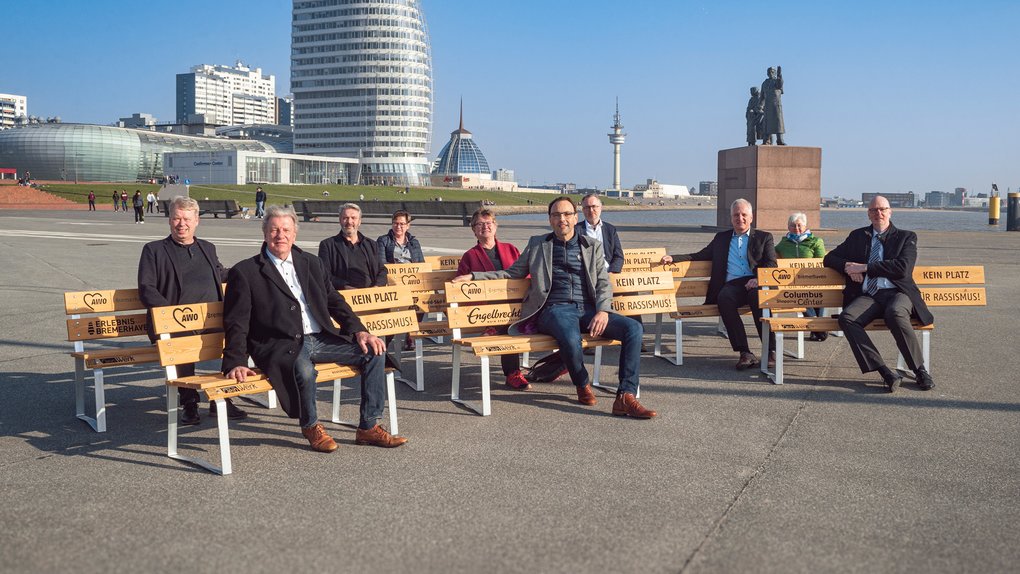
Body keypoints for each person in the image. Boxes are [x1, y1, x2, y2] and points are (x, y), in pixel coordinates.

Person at [222, 205, 406, 452]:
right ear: (265, 233)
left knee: (374, 352)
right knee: (305, 372)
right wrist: (236, 360)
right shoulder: (247, 272)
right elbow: (237, 321)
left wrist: (359, 330)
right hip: (281, 343)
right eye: (274, 230)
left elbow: (334, 301)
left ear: (294, 234)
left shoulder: (311, 263)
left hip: (320, 337)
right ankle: (310, 425)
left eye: (286, 230)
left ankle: (368, 427)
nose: (280, 235)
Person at [454, 197, 656, 418]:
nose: (562, 219)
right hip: (553, 310)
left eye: (567, 214)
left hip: (587, 309)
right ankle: (582, 383)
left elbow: (602, 283)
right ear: (550, 219)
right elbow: (512, 273)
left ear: (575, 217)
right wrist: (474, 276)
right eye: (556, 215)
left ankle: (625, 397)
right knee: (570, 338)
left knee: (633, 329)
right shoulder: (538, 244)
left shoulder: (592, 246)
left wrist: (603, 310)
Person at [137, 196, 247, 425]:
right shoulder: (154, 250)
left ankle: (222, 398)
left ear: (196, 220)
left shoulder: (207, 247)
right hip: (175, 323)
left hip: (212, 320)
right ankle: (189, 402)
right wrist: (172, 317)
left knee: (239, 335)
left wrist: (249, 272)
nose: (181, 224)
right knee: (181, 342)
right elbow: (147, 288)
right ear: (169, 220)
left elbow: (220, 273)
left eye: (186, 218)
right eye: (176, 218)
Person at [823, 196, 934, 392]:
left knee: (896, 313)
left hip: (898, 293)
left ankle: (920, 371)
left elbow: (902, 268)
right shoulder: (858, 236)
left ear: (890, 212)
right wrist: (849, 267)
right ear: (868, 213)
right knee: (847, 318)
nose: (878, 213)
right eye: (874, 210)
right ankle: (884, 372)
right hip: (869, 296)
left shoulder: (906, 237)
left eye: (882, 209)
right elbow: (829, 258)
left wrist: (864, 268)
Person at [661, 198, 777, 370]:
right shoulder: (721, 238)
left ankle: (770, 351)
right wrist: (674, 258)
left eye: (744, 215)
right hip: (733, 286)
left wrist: (759, 279)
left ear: (751, 217)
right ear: (731, 218)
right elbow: (700, 255)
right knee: (724, 298)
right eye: (736, 215)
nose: (740, 218)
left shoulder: (764, 237)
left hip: (755, 282)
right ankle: (745, 353)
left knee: (758, 298)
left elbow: (771, 264)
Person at [455, 208, 529, 390]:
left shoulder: (511, 249)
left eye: (489, 223)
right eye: (479, 224)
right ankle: (512, 373)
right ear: (473, 230)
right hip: (485, 310)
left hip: (515, 306)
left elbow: (525, 277)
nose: (485, 227)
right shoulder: (469, 256)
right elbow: (461, 289)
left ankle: (546, 369)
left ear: (495, 226)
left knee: (513, 322)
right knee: (510, 326)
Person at [376, 210, 424, 353]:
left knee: (422, 300)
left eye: (402, 224)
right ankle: (387, 337)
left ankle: (410, 334)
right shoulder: (383, 240)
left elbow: (421, 263)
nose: (398, 227)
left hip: (411, 283)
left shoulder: (414, 242)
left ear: (408, 226)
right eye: (396, 223)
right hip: (392, 283)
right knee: (392, 310)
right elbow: (381, 264)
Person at [775, 212, 828, 341]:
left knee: (818, 292)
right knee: (800, 294)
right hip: (792, 283)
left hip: (814, 279)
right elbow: (773, 257)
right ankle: (819, 328)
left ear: (805, 226)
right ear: (788, 227)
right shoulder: (782, 244)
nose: (796, 229)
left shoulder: (816, 242)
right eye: (793, 226)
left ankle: (816, 327)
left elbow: (821, 262)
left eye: (799, 225)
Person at [317, 203, 386, 291]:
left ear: (359, 221)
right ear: (340, 220)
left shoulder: (371, 244)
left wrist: (376, 287)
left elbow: (382, 270)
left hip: (370, 297)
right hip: (343, 296)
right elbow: (324, 274)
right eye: (345, 218)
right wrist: (346, 287)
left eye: (353, 218)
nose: (349, 222)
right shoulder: (327, 245)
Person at [577, 194, 625, 273]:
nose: (591, 210)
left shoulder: (610, 230)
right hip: (585, 274)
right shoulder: (575, 230)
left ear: (601, 208)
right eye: (587, 207)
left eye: (594, 206)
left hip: (608, 273)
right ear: (583, 210)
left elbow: (618, 256)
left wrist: (612, 273)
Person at [760, 66, 785, 145]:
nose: (770, 73)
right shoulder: (764, 83)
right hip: (767, 106)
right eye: (769, 72)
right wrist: (760, 106)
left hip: (776, 105)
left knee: (778, 123)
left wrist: (779, 75)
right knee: (767, 124)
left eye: (772, 71)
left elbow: (780, 84)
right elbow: (762, 96)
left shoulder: (776, 81)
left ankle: (780, 140)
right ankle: (766, 140)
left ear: (774, 72)